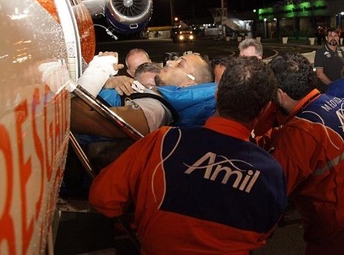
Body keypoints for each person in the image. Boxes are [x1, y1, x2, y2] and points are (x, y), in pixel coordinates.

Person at [89, 57, 288, 254]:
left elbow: (103, 199)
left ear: (217, 95)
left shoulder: (163, 142)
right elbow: (263, 233)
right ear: (263, 111)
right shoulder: (271, 174)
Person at [266, 53, 344, 255]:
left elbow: (269, 197)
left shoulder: (300, 132)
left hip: (341, 240)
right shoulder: (333, 103)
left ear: (280, 94)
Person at [72, 52, 216, 138]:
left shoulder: (155, 111)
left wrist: (98, 71)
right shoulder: (150, 95)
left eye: (180, 64)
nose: (170, 62)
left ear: (189, 84)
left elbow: (73, 118)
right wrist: (107, 82)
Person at [313, 27, 344, 93]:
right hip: (325, 90)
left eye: (335, 35)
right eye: (330, 36)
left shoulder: (341, 52)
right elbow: (319, 74)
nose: (333, 38)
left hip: (339, 88)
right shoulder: (320, 52)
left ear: (338, 38)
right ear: (326, 38)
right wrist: (333, 85)